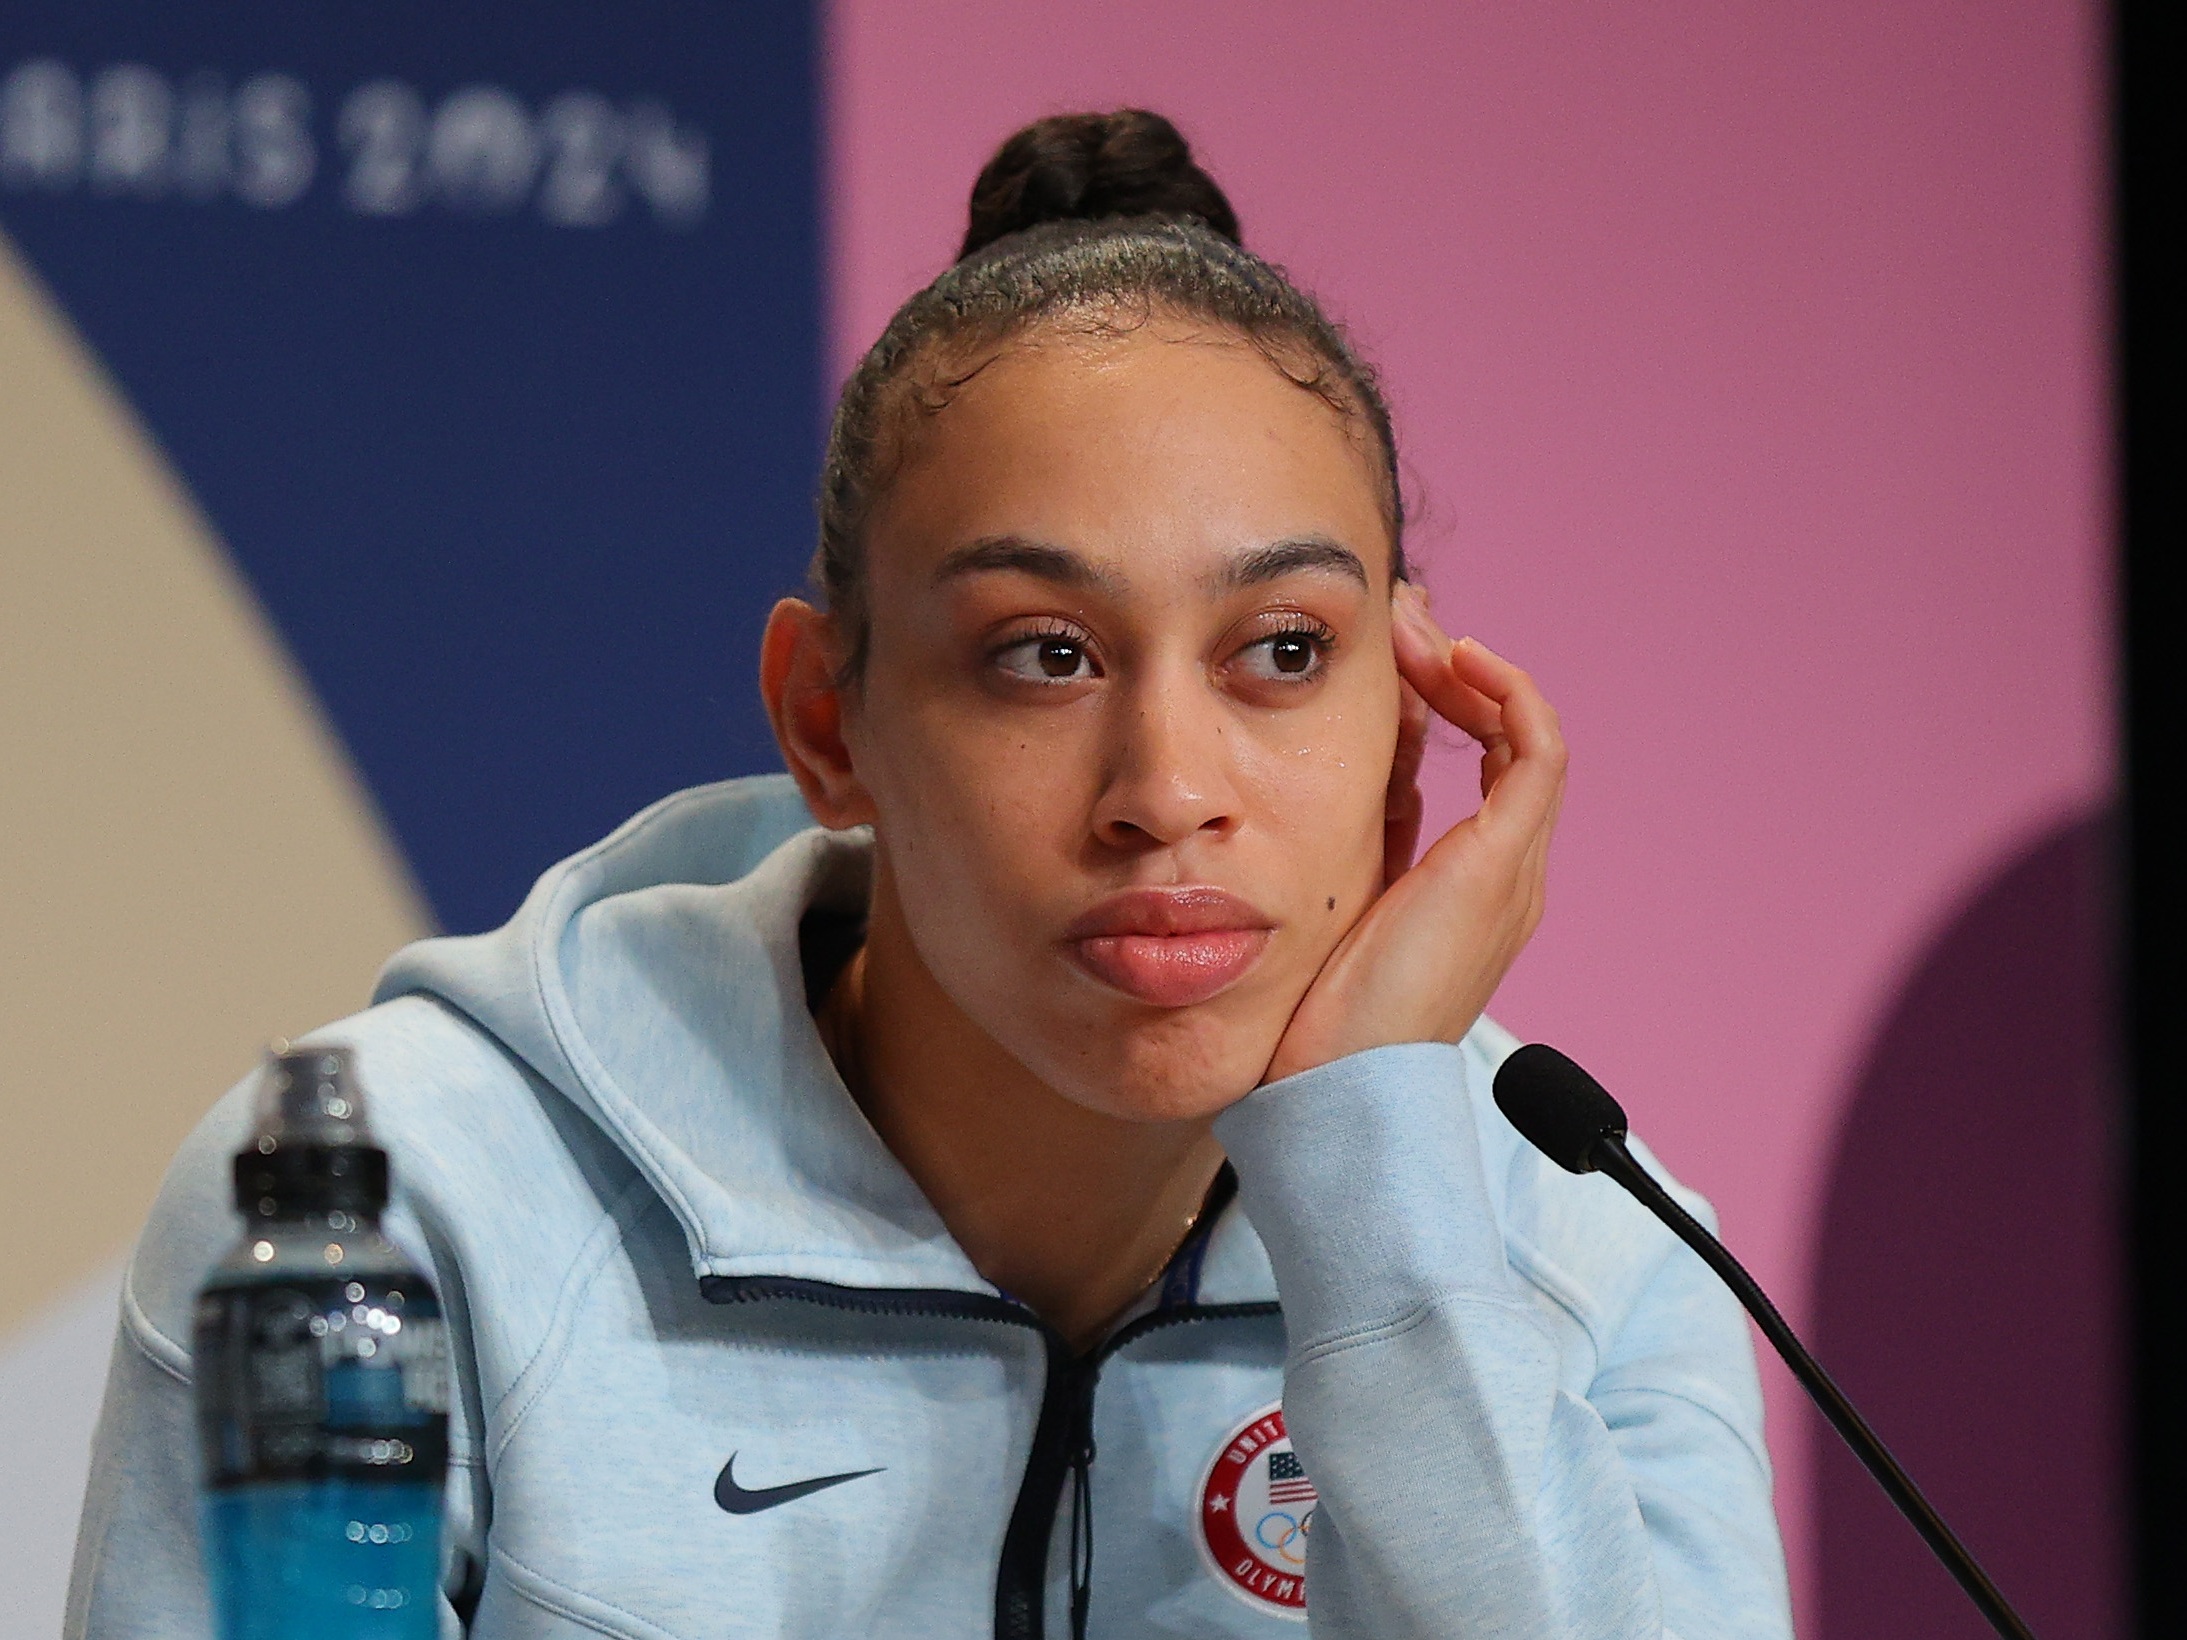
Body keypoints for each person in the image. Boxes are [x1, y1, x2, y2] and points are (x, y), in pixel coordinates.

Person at [69, 111, 1791, 1639]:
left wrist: (1388, 1218)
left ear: (1412, 723)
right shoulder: (385, 1229)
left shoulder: (1589, 1259)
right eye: (1043, 655)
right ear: (829, 723)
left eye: (1280, 649)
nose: (1167, 793)